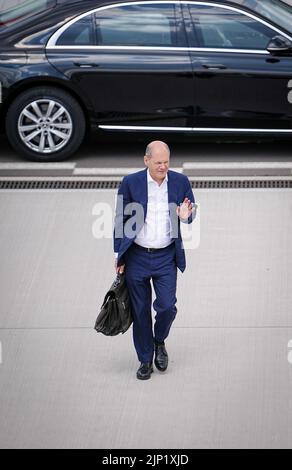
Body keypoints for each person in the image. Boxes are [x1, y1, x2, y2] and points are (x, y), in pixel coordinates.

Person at [113, 141, 196, 380]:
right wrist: (118, 254)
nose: (163, 167)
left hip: (166, 257)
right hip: (137, 256)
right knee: (139, 312)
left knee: (167, 307)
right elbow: (120, 218)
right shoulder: (131, 183)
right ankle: (144, 359)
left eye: (167, 162)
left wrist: (186, 215)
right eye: (158, 162)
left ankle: (159, 340)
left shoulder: (180, 182)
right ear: (146, 160)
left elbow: (192, 211)